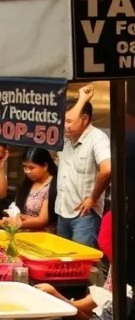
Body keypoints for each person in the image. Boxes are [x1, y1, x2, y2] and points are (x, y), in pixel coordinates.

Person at [56, 85, 111, 248]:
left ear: (85, 119)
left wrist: (93, 198)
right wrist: (81, 99)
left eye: (68, 122)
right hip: (62, 211)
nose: (65, 126)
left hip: (85, 215)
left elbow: (107, 169)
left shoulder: (97, 138)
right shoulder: (65, 138)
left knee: (82, 260)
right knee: (63, 260)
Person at [15, 147, 57, 232]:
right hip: (24, 231)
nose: (27, 171)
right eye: (24, 167)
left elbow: (43, 220)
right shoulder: (27, 184)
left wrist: (16, 223)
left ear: (45, 166)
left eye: (31, 168)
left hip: (44, 235)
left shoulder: (53, 186)